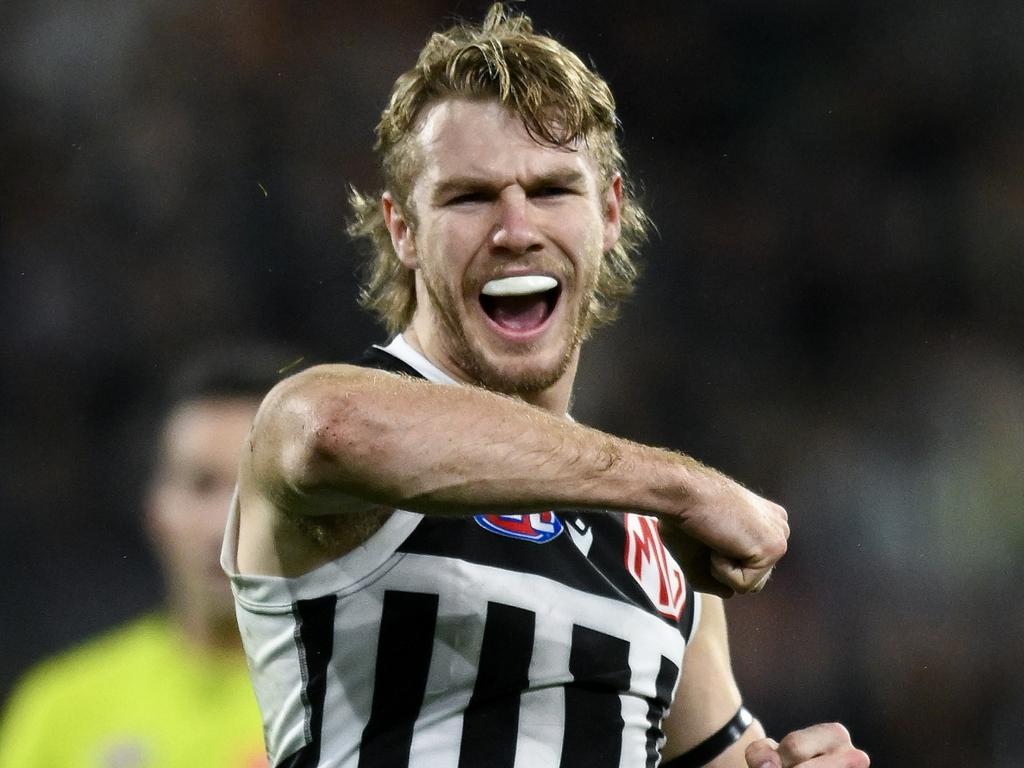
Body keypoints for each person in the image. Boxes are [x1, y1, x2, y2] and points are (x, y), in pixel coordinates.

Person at [221, 5, 869, 768]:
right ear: (401, 229)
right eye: (470, 197)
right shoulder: (337, 429)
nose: (516, 229)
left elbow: (721, 758)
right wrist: (683, 489)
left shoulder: (659, 546)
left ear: (612, 212)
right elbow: (332, 429)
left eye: (553, 189)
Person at [0, 344, 290, 768]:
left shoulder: (362, 700)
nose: (225, 526)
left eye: (259, 489)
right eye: (201, 485)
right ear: (155, 509)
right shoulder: (61, 708)